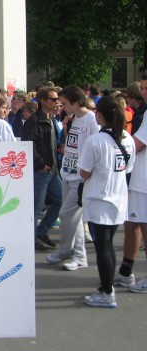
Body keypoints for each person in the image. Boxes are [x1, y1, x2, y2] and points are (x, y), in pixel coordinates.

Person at [78, 96, 136, 307]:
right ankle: (107, 286)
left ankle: (107, 292)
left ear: (99, 115)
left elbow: (84, 172)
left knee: (102, 247)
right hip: (118, 198)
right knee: (108, 245)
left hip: (99, 199)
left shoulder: (95, 141)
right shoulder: (128, 139)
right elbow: (128, 169)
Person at [45, 85, 99, 270]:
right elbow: (74, 142)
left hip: (81, 176)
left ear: (76, 103)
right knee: (73, 216)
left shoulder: (91, 120)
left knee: (68, 214)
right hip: (68, 171)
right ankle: (70, 251)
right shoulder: (73, 118)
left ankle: (75, 253)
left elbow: (94, 147)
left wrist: (88, 171)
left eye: (65, 103)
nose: (62, 107)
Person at [116, 72, 147, 292]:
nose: (144, 93)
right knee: (132, 223)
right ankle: (126, 271)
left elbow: (137, 145)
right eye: (143, 88)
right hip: (138, 179)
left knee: (143, 227)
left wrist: (109, 141)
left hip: (143, 181)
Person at [22, 86, 62, 251]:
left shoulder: (51, 119)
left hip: (52, 169)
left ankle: (42, 231)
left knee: (60, 200)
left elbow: (49, 142)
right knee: (36, 208)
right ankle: (32, 241)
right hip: (42, 170)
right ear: (43, 101)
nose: (56, 102)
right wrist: (40, 164)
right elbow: (29, 145)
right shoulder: (34, 121)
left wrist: (59, 147)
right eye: (53, 99)